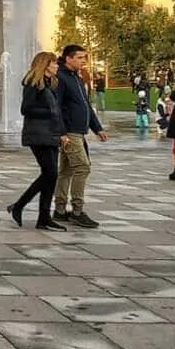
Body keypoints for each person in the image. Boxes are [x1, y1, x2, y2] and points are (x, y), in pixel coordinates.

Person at [7, 52, 67, 231]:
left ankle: (42, 217)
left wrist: (62, 132)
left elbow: (58, 111)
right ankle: (21, 206)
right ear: (45, 65)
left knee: (51, 175)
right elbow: (26, 109)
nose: (57, 66)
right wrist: (48, 112)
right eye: (54, 63)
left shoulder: (51, 84)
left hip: (51, 134)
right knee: (50, 173)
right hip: (37, 134)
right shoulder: (33, 84)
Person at [53, 44, 107, 228]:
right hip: (70, 132)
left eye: (85, 58)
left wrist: (97, 128)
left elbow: (85, 105)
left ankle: (60, 210)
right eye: (80, 57)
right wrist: (61, 132)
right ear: (68, 58)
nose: (83, 61)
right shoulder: (61, 77)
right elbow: (56, 107)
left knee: (67, 170)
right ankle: (77, 211)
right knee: (83, 167)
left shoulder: (76, 77)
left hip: (78, 131)